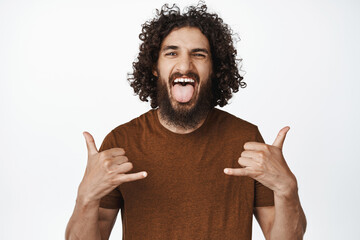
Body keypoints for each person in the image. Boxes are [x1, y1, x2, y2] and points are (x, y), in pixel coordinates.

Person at [66, 2, 306, 240]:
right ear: (155, 67)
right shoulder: (121, 142)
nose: (184, 65)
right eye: (171, 53)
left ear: (214, 68)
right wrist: (85, 197)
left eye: (198, 55)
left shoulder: (245, 139)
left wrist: (287, 190)